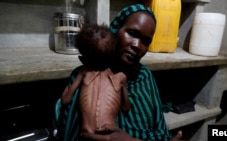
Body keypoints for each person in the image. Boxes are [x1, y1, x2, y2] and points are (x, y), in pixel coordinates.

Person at [54, 4, 184, 141]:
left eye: (146, 41)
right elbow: (71, 133)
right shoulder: (86, 73)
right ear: (116, 30)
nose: (137, 45)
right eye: (132, 33)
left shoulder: (144, 76)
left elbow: (159, 130)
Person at [60, 24, 131, 136]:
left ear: (82, 60)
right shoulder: (120, 78)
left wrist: (68, 85)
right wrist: (123, 86)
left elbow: (65, 100)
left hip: (86, 135)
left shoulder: (84, 73)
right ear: (113, 56)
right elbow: (126, 108)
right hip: (109, 135)